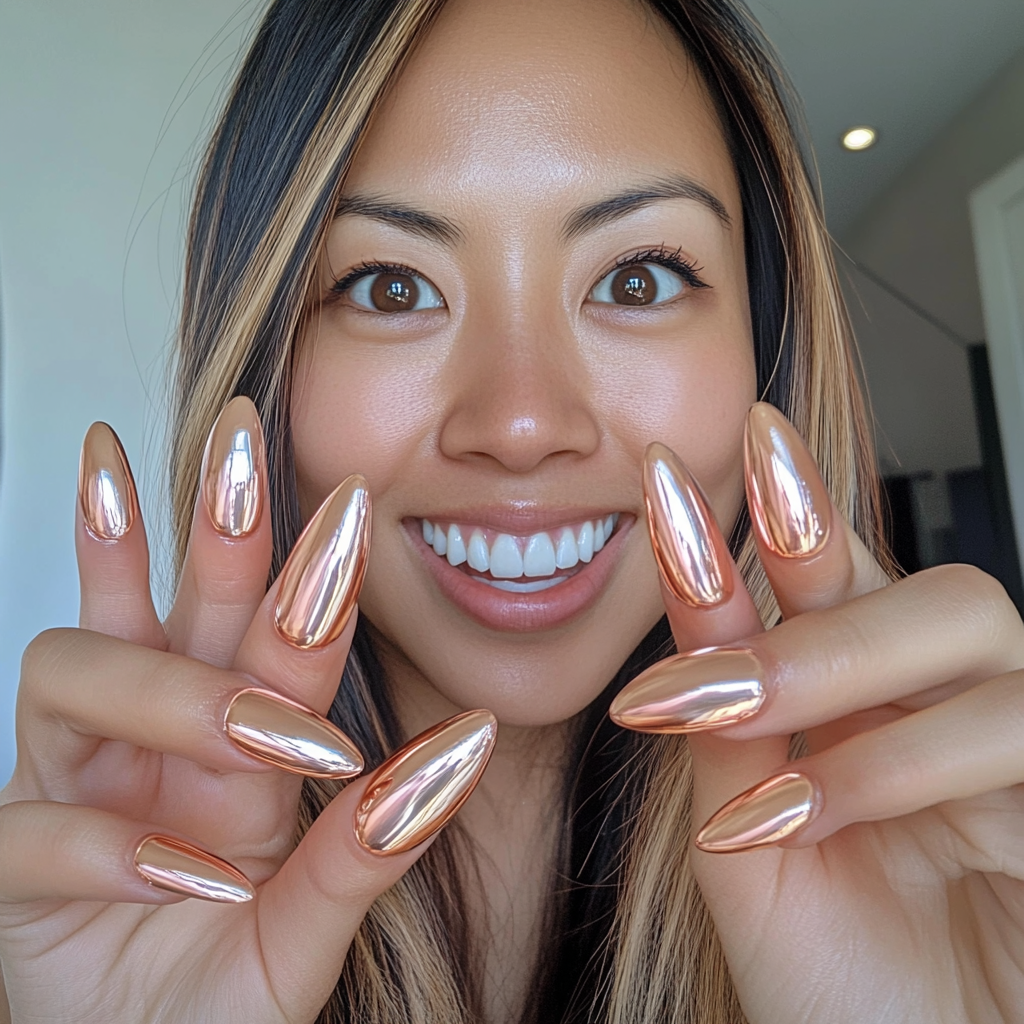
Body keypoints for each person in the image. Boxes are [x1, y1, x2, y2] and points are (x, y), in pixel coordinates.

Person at [2, 0, 1023, 1020]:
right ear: (264, 361)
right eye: (392, 288)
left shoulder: (950, 885)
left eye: (636, 276)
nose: (524, 421)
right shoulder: (77, 943)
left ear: (765, 345)